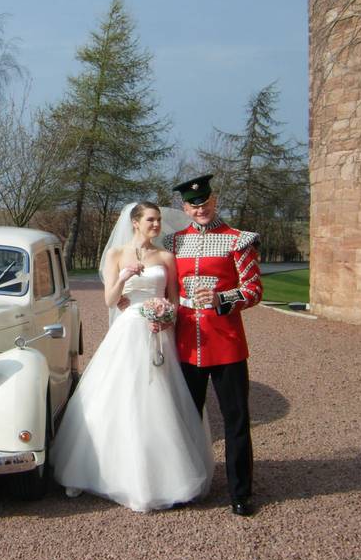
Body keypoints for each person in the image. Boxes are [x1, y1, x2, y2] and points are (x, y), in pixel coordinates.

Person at [51, 202, 213, 512]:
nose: (156, 225)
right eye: (151, 220)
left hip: (157, 332)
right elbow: (110, 300)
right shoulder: (116, 254)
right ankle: (104, 473)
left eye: (159, 220)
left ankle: (162, 477)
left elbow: (174, 300)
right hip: (127, 331)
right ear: (135, 222)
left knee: (158, 401)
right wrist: (124, 275)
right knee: (118, 397)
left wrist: (166, 318)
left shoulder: (166, 257)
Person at [163, 174, 263, 517]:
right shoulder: (174, 242)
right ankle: (187, 485)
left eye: (205, 202)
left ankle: (240, 492)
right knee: (187, 419)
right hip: (186, 344)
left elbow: (253, 291)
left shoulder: (238, 240)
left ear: (215, 201)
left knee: (236, 421)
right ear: (184, 207)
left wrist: (222, 297)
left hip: (226, 344)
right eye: (194, 204)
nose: (200, 208)